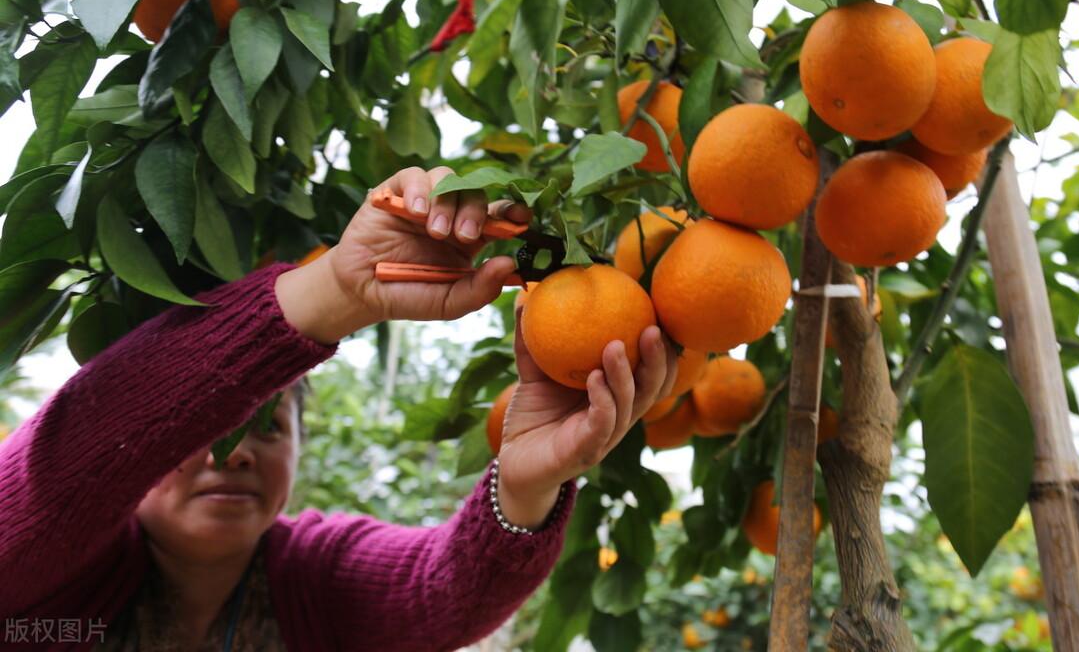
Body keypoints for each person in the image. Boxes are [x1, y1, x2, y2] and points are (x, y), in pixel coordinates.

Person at [0, 165, 677, 651]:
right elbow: (60, 475)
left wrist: (526, 486)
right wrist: (331, 295)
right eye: (202, 432)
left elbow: (441, 592)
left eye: (269, 426)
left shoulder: (313, 581)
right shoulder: (59, 593)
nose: (234, 452)